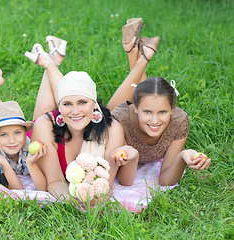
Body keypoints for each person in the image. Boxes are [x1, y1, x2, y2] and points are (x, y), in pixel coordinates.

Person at [23, 32, 154, 204]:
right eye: (67, 104)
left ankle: (50, 63)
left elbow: (105, 186)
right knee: (44, 116)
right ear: (59, 106)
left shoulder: (112, 130)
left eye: (83, 102)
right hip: (48, 128)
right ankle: (49, 64)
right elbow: (54, 182)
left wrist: (91, 203)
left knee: (72, 93)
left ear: (94, 106)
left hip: (80, 121)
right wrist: (75, 204)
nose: (75, 110)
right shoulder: (45, 125)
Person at [105, 18, 211, 186]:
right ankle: (141, 57)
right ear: (136, 108)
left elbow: (165, 180)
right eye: (147, 112)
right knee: (106, 117)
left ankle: (137, 55)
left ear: (172, 109)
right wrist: (131, 154)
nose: (155, 121)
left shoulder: (179, 121)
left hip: (143, 104)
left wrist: (184, 156)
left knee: (148, 95)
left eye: (162, 112)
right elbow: (125, 181)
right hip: (115, 119)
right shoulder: (120, 120)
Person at [0, 65, 47, 191]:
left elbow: (43, 189)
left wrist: (31, 163)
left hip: (0, 136)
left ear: (25, 134)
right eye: (3, 135)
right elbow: (17, 191)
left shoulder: (29, 148)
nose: (12, 140)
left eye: (17, 133)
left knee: (3, 118)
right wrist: (3, 162)